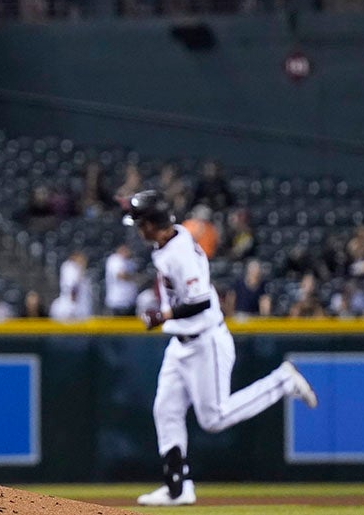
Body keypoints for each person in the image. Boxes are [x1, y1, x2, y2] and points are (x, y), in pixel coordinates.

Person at [122, 190, 318, 507]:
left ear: (153, 222)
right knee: (165, 409)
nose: (137, 228)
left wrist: (163, 315)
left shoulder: (179, 251)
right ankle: (177, 488)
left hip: (205, 341)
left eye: (140, 222)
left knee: (214, 418)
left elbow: (199, 302)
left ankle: (283, 381)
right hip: (182, 342)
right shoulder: (172, 237)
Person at [103, 243, 138, 315]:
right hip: (117, 302)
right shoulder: (115, 259)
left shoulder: (130, 262)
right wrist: (136, 277)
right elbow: (120, 275)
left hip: (130, 302)